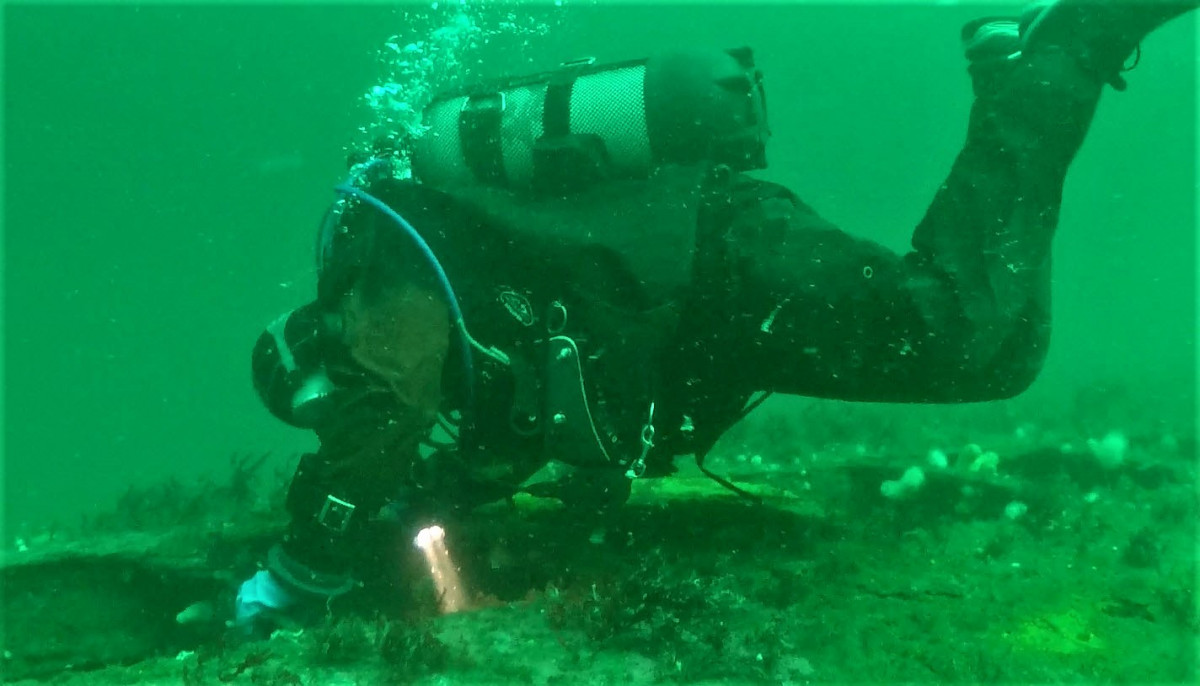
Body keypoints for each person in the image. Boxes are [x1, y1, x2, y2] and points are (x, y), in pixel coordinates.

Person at [235, 0, 1197, 635]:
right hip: (706, 308)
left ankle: (1067, 46)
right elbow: (504, 429)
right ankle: (1017, 75)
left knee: (961, 332)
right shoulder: (456, 277)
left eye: (323, 396)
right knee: (1000, 351)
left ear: (320, 340)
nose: (332, 409)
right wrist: (416, 500)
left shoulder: (383, 248)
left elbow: (387, 402)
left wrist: (301, 566)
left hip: (720, 258)